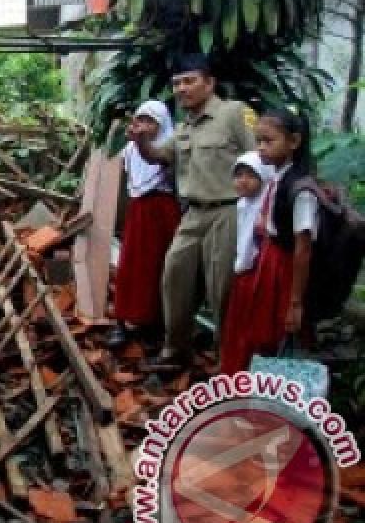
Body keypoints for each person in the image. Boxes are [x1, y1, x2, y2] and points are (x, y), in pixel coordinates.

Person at [129, 53, 255, 370]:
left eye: (189, 81)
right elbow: (159, 156)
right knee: (174, 275)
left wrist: (261, 210)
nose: (181, 88)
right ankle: (177, 351)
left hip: (228, 211)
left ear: (209, 83)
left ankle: (228, 362)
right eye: (176, 83)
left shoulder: (235, 113)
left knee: (222, 287)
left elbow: (261, 157)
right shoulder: (185, 127)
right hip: (193, 213)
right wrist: (142, 142)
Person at [226, 108, 320, 361]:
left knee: (275, 332)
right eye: (258, 141)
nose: (261, 148)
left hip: (285, 269)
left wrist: (295, 302)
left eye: (268, 141)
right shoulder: (277, 178)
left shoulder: (301, 191)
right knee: (258, 330)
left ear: (294, 142)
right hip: (270, 262)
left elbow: (303, 248)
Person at [108, 100, 181, 348]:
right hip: (139, 211)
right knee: (131, 263)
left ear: (161, 124)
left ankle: (154, 325)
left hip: (163, 211)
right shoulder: (130, 150)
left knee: (159, 267)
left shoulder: (171, 148)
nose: (145, 126)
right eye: (141, 120)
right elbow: (131, 181)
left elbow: (167, 171)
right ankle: (124, 319)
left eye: (151, 121)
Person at [218, 151, 274, 375]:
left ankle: (245, 375)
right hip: (243, 273)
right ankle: (232, 371)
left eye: (250, 175)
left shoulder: (266, 208)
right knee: (236, 327)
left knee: (250, 329)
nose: (242, 180)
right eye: (238, 174)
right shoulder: (242, 205)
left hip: (257, 275)